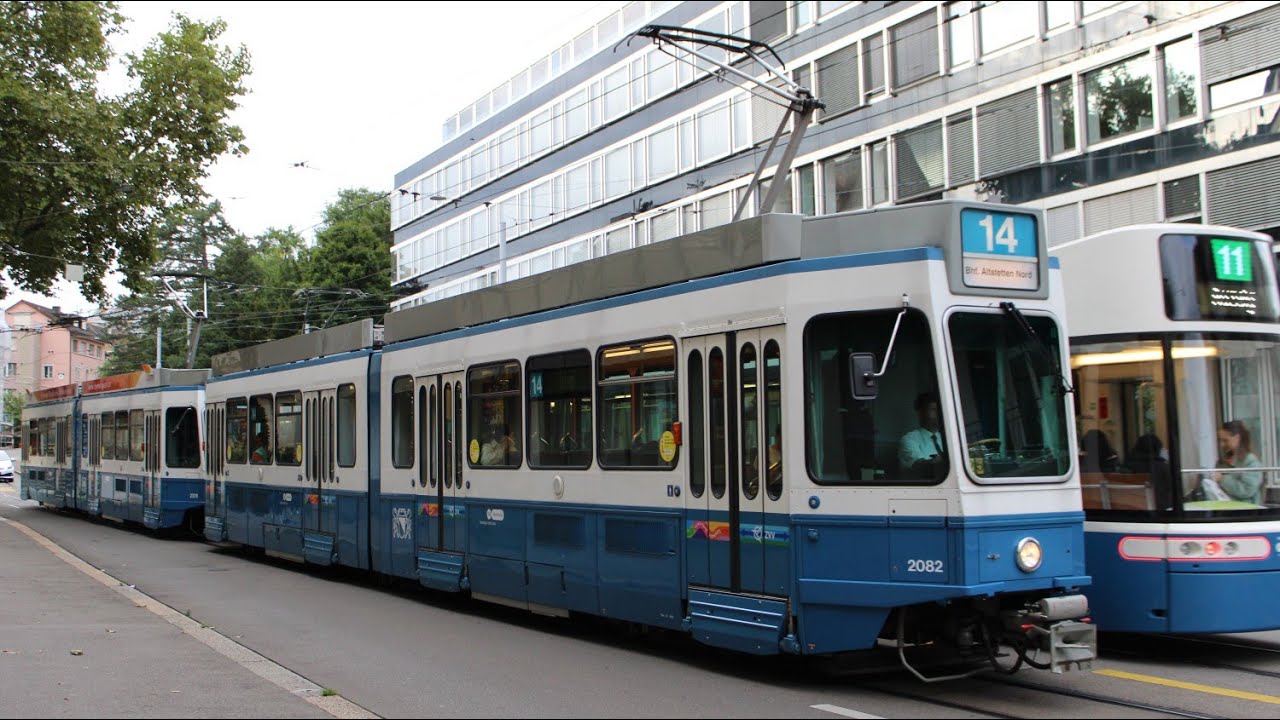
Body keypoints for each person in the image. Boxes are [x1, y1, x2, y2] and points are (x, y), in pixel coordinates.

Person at [1212, 420, 1264, 504]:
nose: (1222, 445)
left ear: (1237, 438)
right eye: (1220, 440)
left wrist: (1222, 479)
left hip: (1245, 508)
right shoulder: (1225, 460)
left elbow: (1247, 490)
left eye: (1225, 440)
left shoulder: (1251, 461)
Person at [898, 392, 945, 476]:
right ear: (921, 413)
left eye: (940, 410)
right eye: (933, 409)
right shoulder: (909, 439)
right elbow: (920, 466)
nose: (939, 414)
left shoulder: (947, 439)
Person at [1127, 433, 1172, 509]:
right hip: (1159, 508)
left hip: (1133, 506)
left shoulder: (1129, 467)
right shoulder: (1163, 467)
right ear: (1158, 448)